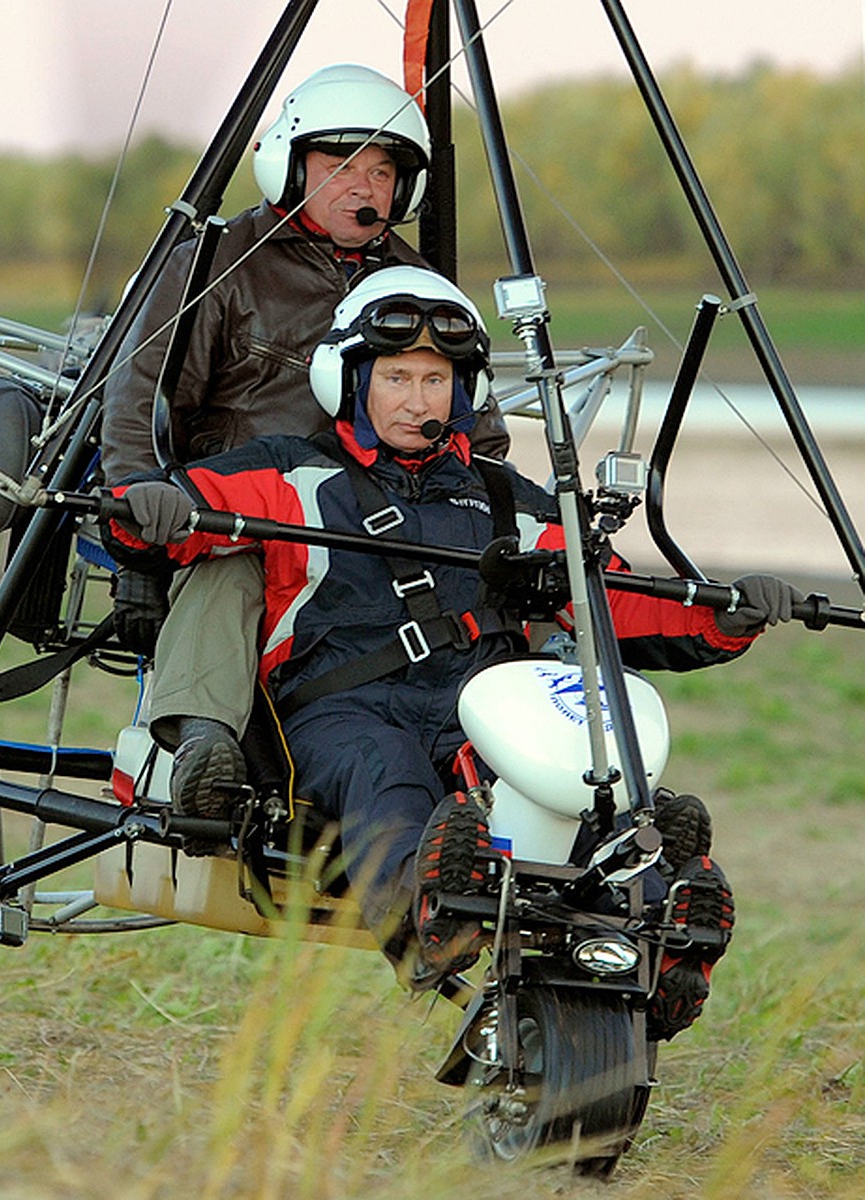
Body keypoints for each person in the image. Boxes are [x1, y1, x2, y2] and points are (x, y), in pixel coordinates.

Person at [104, 265, 800, 1039]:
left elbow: (614, 602)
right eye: (396, 376)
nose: (416, 400)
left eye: (436, 381)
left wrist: (726, 615)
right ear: (351, 380)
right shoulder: (284, 474)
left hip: (482, 710)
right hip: (343, 711)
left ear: (461, 393)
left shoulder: (510, 501)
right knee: (387, 778)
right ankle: (434, 908)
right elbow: (159, 522)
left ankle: (663, 928)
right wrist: (149, 509)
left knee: (576, 791)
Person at [100, 63, 510, 819]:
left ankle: (517, 778)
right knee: (236, 560)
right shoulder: (218, 262)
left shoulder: (415, 285)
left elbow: (480, 442)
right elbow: (139, 400)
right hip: (252, 514)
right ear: (291, 163)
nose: (368, 188)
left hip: (385, 528)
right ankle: (203, 745)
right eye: (344, 165)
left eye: (384, 170)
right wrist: (136, 513)